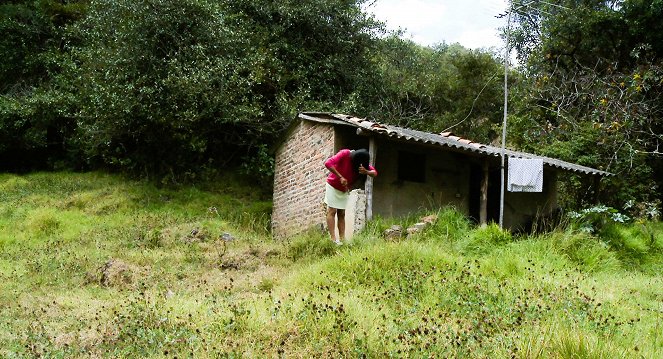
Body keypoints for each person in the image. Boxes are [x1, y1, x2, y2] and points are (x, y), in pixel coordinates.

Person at [324, 148, 377, 245]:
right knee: (332, 211)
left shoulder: (360, 163)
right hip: (332, 185)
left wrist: (366, 172)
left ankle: (342, 240)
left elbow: (375, 173)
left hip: (344, 189)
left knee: (342, 213)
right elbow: (328, 163)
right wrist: (340, 177)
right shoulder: (345, 154)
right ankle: (333, 239)